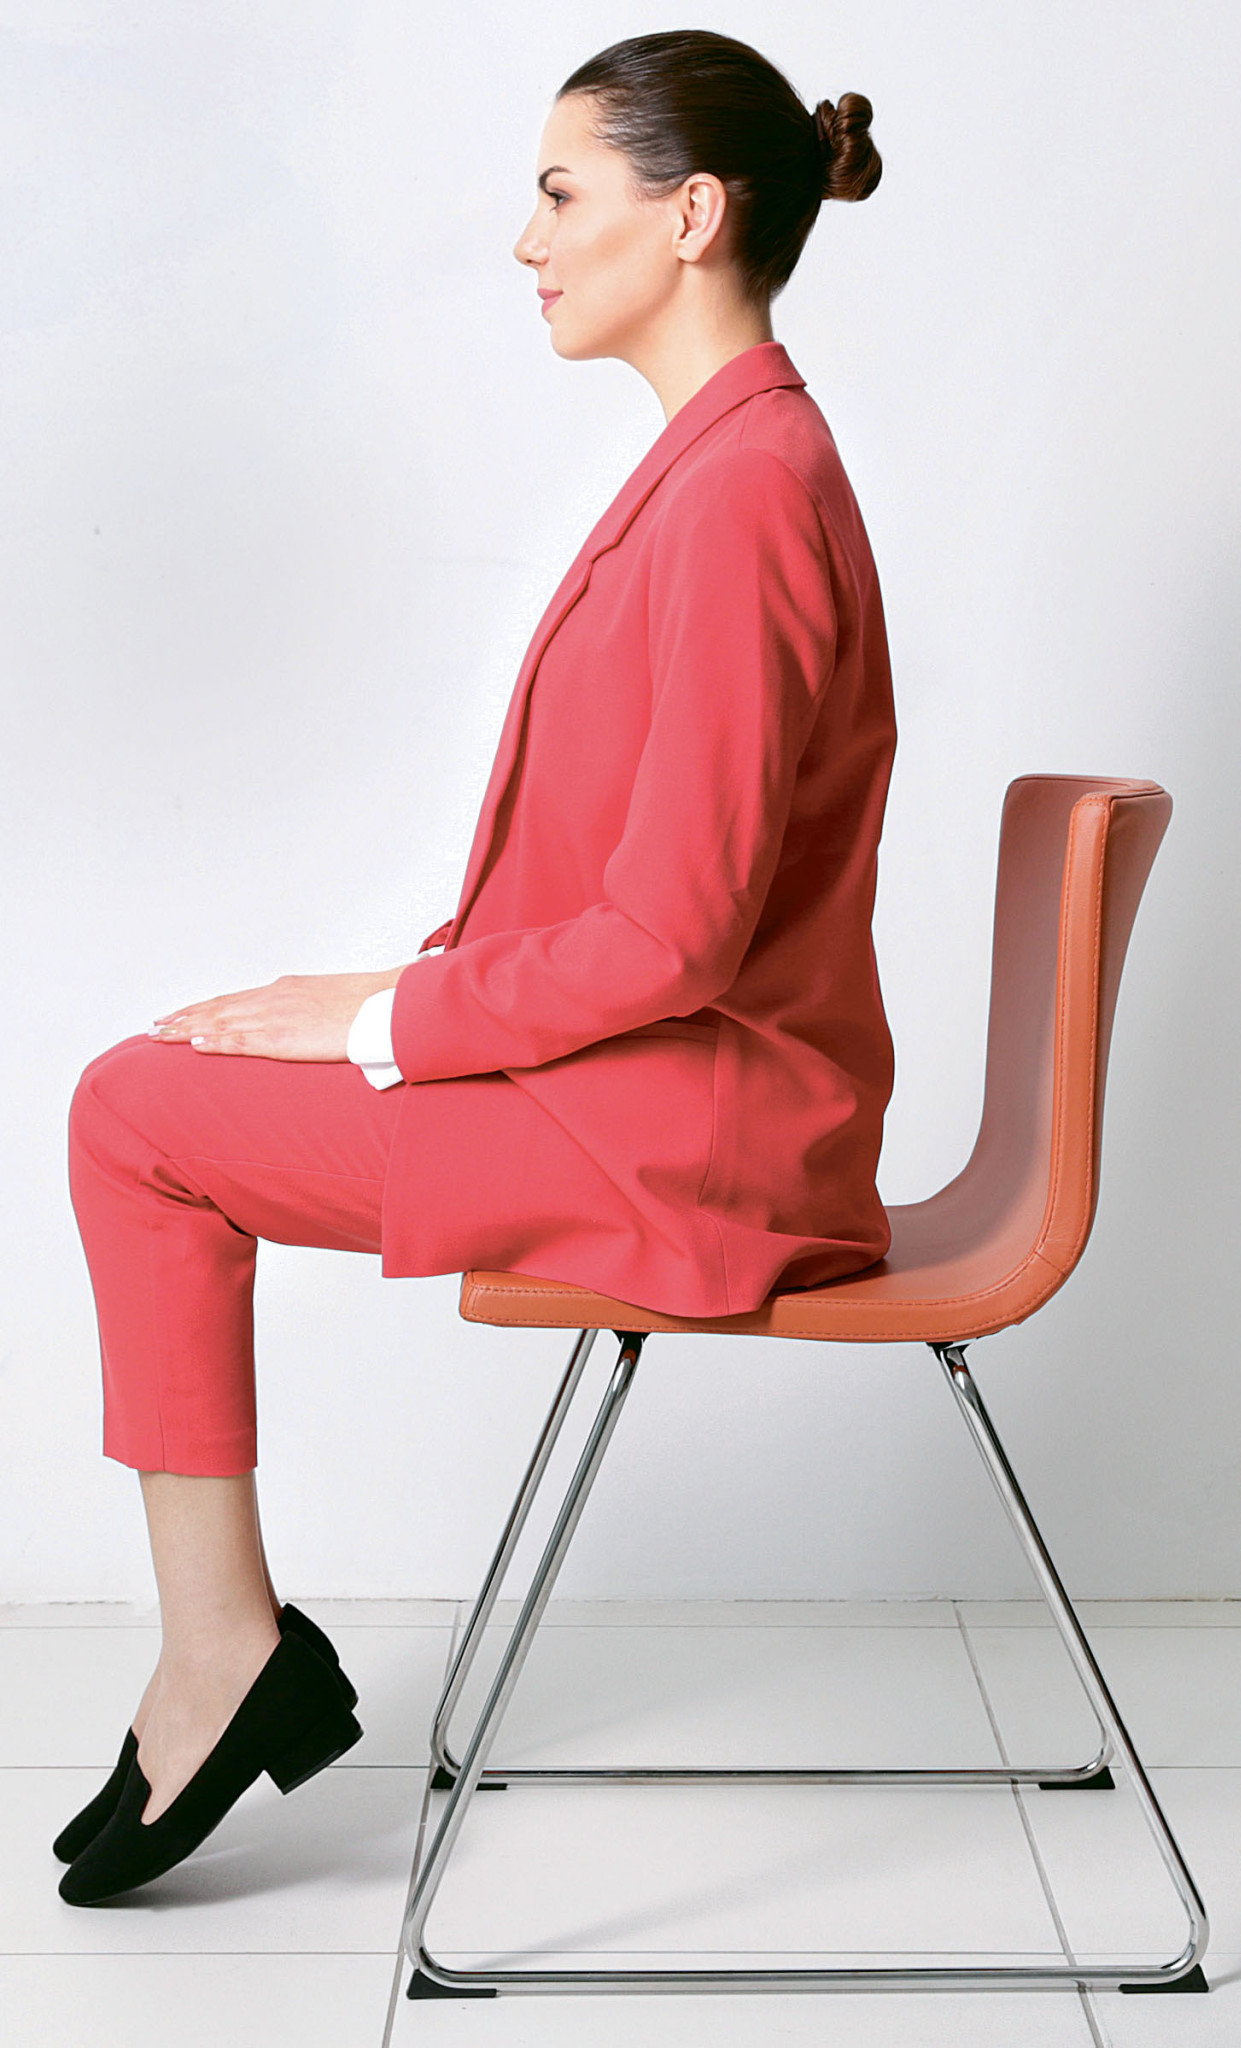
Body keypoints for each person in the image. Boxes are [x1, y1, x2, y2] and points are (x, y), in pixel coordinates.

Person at [56, 28, 895, 1906]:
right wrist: (378, 1007)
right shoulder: (728, 458)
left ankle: (223, 1655)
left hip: (692, 1134)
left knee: (134, 1119)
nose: (525, 238)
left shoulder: (744, 488)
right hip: (669, 1092)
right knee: (159, 1090)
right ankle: (226, 1649)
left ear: (691, 215)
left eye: (558, 192)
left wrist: (378, 1020)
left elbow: (675, 935)